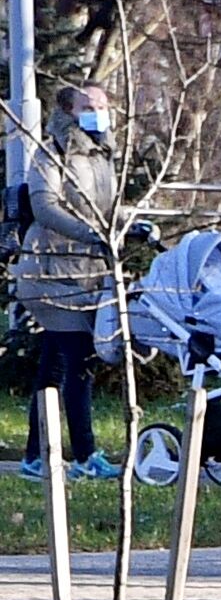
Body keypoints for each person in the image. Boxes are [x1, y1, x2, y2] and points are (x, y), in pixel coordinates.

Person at [14, 83, 123, 481]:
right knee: (79, 360)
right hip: (50, 272)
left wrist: (124, 227)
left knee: (54, 368)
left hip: (84, 275)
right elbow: (45, 206)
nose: (97, 111)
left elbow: (106, 207)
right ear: (68, 110)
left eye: (102, 104)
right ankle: (85, 454)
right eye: (88, 105)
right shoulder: (51, 152)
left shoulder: (102, 155)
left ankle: (34, 457)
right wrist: (90, 234)